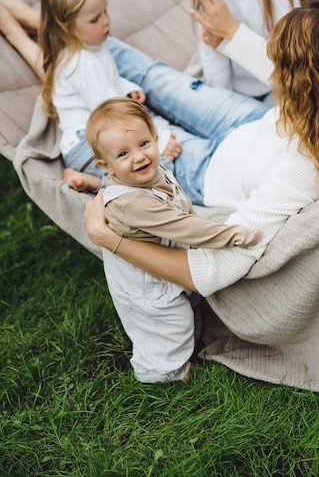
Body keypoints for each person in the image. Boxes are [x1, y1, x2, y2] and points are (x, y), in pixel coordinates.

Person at [85, 0, 319, 298]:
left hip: (206, 169)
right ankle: (61, 29)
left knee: (116, 126)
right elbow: (306, 67)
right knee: (154, 75)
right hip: (247, 121)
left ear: (294, 82)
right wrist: (231, 32)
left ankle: (59, 60)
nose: (272, 71)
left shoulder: (304, 172)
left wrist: (110, 240)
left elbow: (210, 272)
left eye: (276, 63)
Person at [84, 97, 260, 382]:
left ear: (155, 137)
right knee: (168, 326)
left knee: (187, 312)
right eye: (123, 154)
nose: (139, 157)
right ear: (107, 166)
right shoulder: (131, 203)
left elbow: (182, 205)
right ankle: (163, 373)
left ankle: (184, 351)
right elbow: (182, 226)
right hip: (146, 288)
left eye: (143, 144)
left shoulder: (155, 172)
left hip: (166, 268)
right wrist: (232, 235)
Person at [0, 0, 182, 191]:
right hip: (86, 148)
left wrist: (127, 88)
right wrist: (159, 142)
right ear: (68, 28)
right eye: (95, 19)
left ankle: (91, 180)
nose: (105, 21)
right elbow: (112, 115)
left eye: (104, 12)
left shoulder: (93, 47)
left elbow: (110, 79)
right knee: (154, 173)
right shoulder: (84, 63)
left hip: (88, 141)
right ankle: (95, 182)